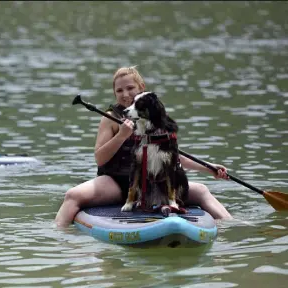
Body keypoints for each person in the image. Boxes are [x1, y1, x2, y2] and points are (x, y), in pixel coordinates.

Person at [55, 66, 233, 228]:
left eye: (130, 88)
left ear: (141, 87)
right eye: (119, 90)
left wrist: (209, 168)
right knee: (73, 195)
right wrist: (121, 135)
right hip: (116, 183)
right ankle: (59, 238)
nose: (125, 94)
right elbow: (100, 158)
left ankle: (235, 227)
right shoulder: (110, 118)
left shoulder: (156, 115)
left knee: (201, 190)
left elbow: (171, 156)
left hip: (153, 182)